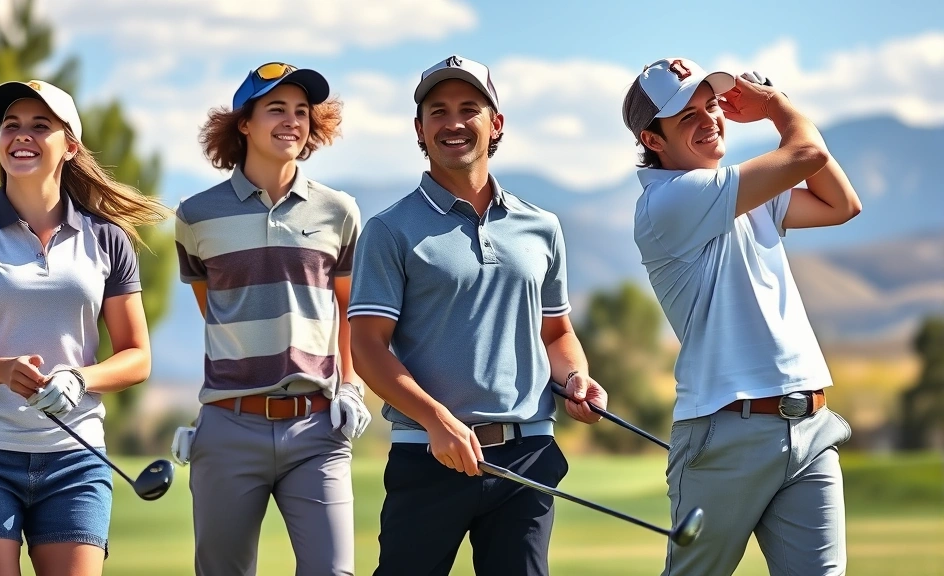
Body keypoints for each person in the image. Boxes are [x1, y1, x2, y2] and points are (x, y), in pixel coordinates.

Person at [349, 54, 608, 576]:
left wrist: (576, 379)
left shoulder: (542, 226)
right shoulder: (389, 229)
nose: (453, 123)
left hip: (527, 455)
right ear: (419, 130)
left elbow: (555, 333)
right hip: (428, 454)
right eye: (437, 111)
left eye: (470, 108)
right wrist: (435, 419)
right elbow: (367, 348)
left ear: (496, 124)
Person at [622, 58, 862, 575]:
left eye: (710, 105)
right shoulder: (670, 199)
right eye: (686, 116)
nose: (708, 119)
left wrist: (783, 117)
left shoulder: (746, 195)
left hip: (809, 425)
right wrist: (777, 108)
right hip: (726, 431)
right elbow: (808, 152)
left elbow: (842, 204)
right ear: (653, 139)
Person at [0, 79, 168, 576]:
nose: (21, 135)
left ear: (70, 147)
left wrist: (80, 379)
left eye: (40, 126)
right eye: (10, 126)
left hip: (74, 459)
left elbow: (137, 355)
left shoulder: (107, 239)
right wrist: (1, 370)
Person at [174, 62, 369, 576]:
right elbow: (214, 309)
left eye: (302, 112)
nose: (292, 121)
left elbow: (349, 307)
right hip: (228, 426)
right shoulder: (196, 216)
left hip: (317, 427)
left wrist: (348, 386)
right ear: (244, 123)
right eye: (276, 109)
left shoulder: (339, 210)